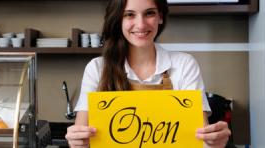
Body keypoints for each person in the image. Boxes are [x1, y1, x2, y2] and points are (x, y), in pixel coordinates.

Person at [65, 0, 231, 147]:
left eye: (149, 13)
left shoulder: (184, 65)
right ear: (118, 19)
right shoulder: (97, 69)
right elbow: (83, 141)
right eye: (129, 15)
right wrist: (78, 142)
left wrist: (214, 143)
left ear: (160, 17)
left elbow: (200, 141)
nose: (141, 24)